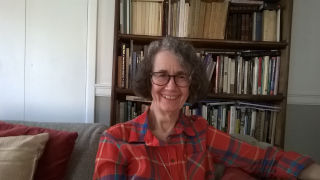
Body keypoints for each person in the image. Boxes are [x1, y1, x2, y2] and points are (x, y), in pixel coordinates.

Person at [93, 37, 320, 179]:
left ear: (191, 83)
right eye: (162, 75)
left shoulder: (201, 134)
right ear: (148, 80)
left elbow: (263, 159)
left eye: (181, 76)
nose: (171, 86)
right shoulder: (116, 140)